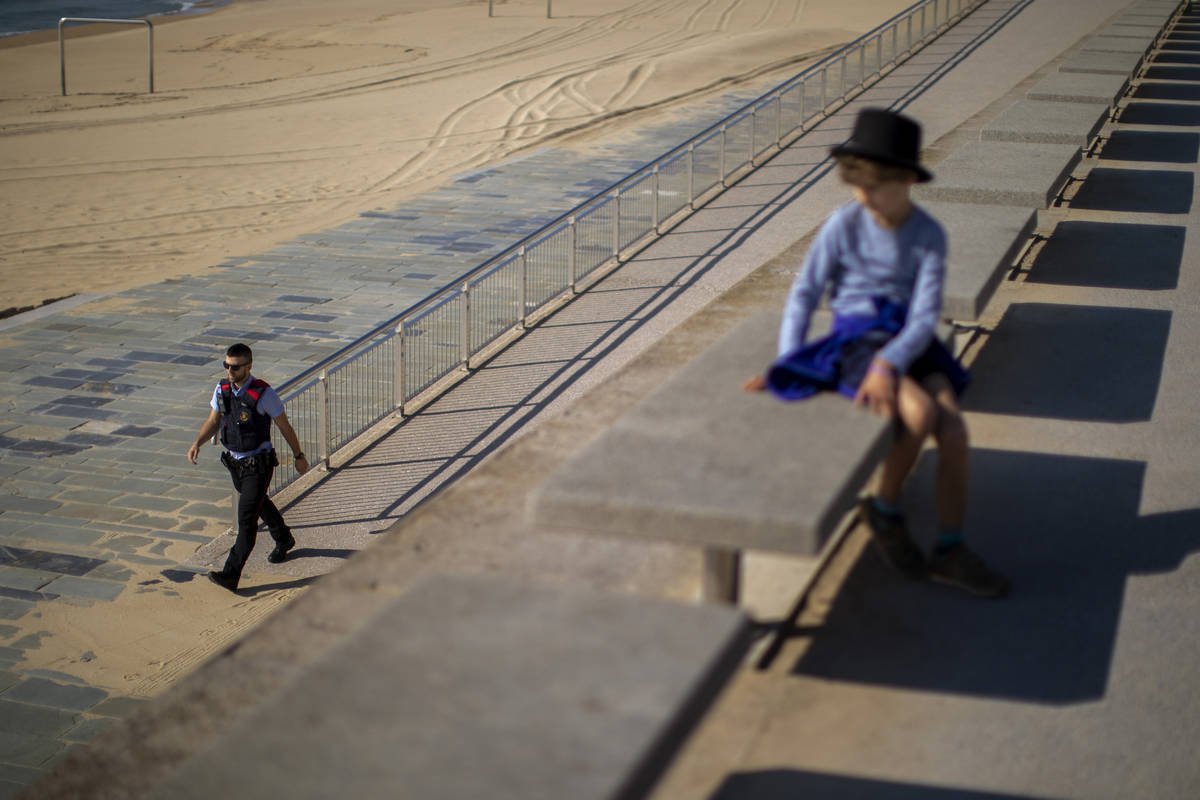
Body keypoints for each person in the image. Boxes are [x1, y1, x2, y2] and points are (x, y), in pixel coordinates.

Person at [745, 107, 1009, 598]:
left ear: (907, 179)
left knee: (954, 432)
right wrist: (789, 360)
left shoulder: (928, 234)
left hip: (906, 340)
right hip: (858, 336)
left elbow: (924, 314)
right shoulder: (843, 224)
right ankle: (886, 510)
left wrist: (891, 363)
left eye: (875, 185)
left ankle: (950, 549)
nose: (863, 196)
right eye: (856, 184)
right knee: (920, 410)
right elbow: (805, 293)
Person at [187, 343, 309, 592]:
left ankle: (230, 575)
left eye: (235, 367)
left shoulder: (264, 394)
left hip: (258, 465)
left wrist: (299, 455)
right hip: (235, 463)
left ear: (248, 366)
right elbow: (214, 419)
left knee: (246, 521)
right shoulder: (222, 389)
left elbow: (284, 426)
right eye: (226, 365)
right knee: (259, 502)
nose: (229, 371)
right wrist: (197, 443)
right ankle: (284, 538)